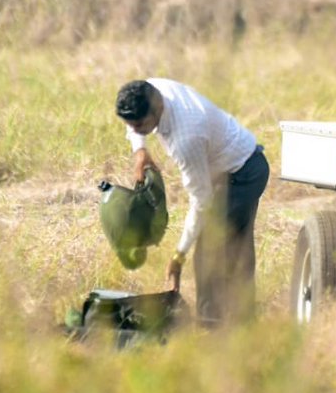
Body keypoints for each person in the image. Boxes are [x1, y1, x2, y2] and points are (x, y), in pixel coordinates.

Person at [115, 78, 269, 325]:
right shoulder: (151, 89)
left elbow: (201, 201)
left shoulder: (186, 138)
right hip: (225, 166)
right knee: (235, 245)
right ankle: (242, 321)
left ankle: (212, 325)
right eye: (129, 125)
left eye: (140, 126)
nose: (134, 130)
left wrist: (179, 256)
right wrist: (140, 150)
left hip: (244, 175)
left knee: (211, 245)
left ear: (157, 110)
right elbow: (133, 125)